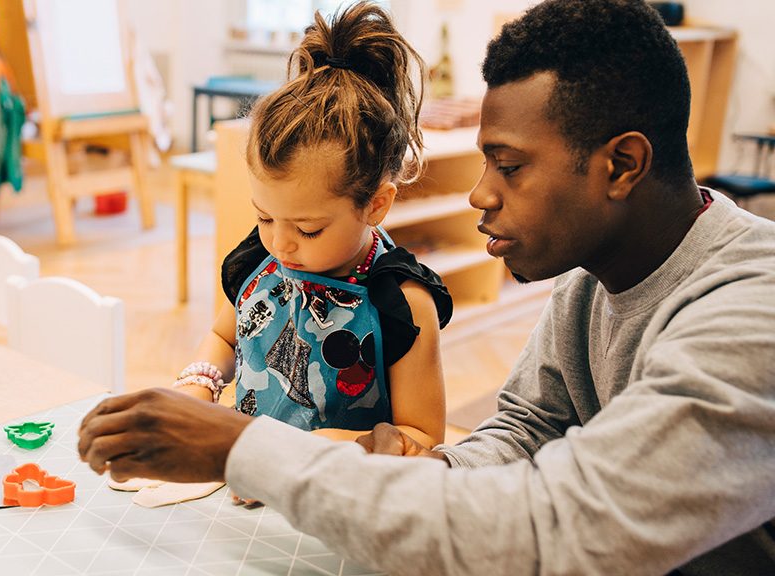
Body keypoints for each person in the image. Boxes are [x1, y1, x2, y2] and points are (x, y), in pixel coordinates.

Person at [77, 0, 775, 574]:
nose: (479, 194)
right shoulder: (590, 287)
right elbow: (523, 433)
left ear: (621, 164)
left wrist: (243, 449)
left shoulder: (753, 314)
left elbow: (562, 529)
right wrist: (408, 466)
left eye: (509, 167)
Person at [170, 2, 452, 453]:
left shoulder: (403, 304)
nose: (280, 243)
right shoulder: (261, 261)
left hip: (339, 490)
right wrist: (199, 382)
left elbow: (422, 436)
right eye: (264, 217)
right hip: (252, 475)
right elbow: (225, 335)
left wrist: (332, 447)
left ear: (376, 204)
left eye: (309, 229)